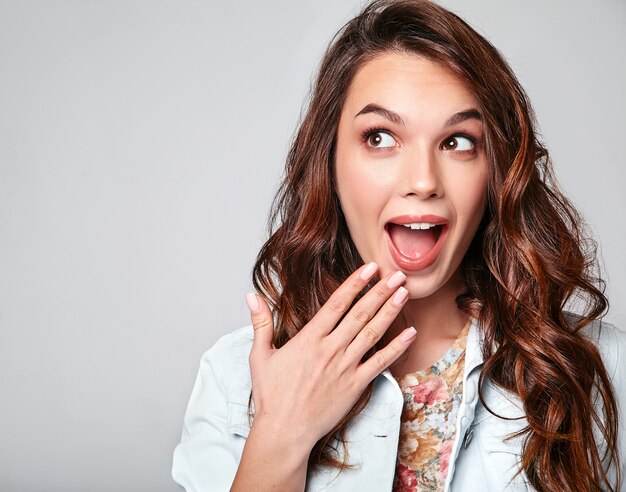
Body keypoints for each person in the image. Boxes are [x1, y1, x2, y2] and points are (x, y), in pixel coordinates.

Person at [172, 0, 625, 490]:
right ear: (330, 164)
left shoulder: (596, 365)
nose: (423, 181)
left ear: (495, 173)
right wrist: (281, 433)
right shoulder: (234, 377)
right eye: (380, 137)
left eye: (457, 142)